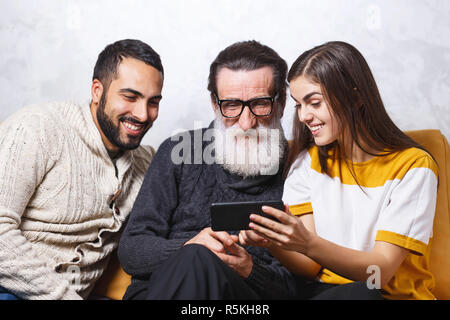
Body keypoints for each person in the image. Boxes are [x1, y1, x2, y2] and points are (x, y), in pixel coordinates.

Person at [239, 41, 439, 300]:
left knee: (362, 294)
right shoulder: (307, 163)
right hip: (326, 293)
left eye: (314, 103)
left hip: (383, 295)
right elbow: (310, 266)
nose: (303, 116)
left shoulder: (413, 166)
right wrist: (277, 244)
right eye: (299, 105)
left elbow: (381, 272)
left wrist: (308, 244)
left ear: (355, 98)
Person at [118, 40, 298, 300]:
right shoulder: (178, 152)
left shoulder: (299, 169)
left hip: (243, 299)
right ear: (215, 105)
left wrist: (248, 268)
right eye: (232, 106)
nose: (246, 123)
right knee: (195, 257)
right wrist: (190, 246)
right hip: (161, 290)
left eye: (260, 104)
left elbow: (297, 288)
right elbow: (132, 251)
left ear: (280, 103)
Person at [0, 39, 164, 300]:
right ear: (97, 91)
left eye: (153, 102)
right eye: (130, 97)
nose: (143, 114)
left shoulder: (147, 163)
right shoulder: (37, 128)